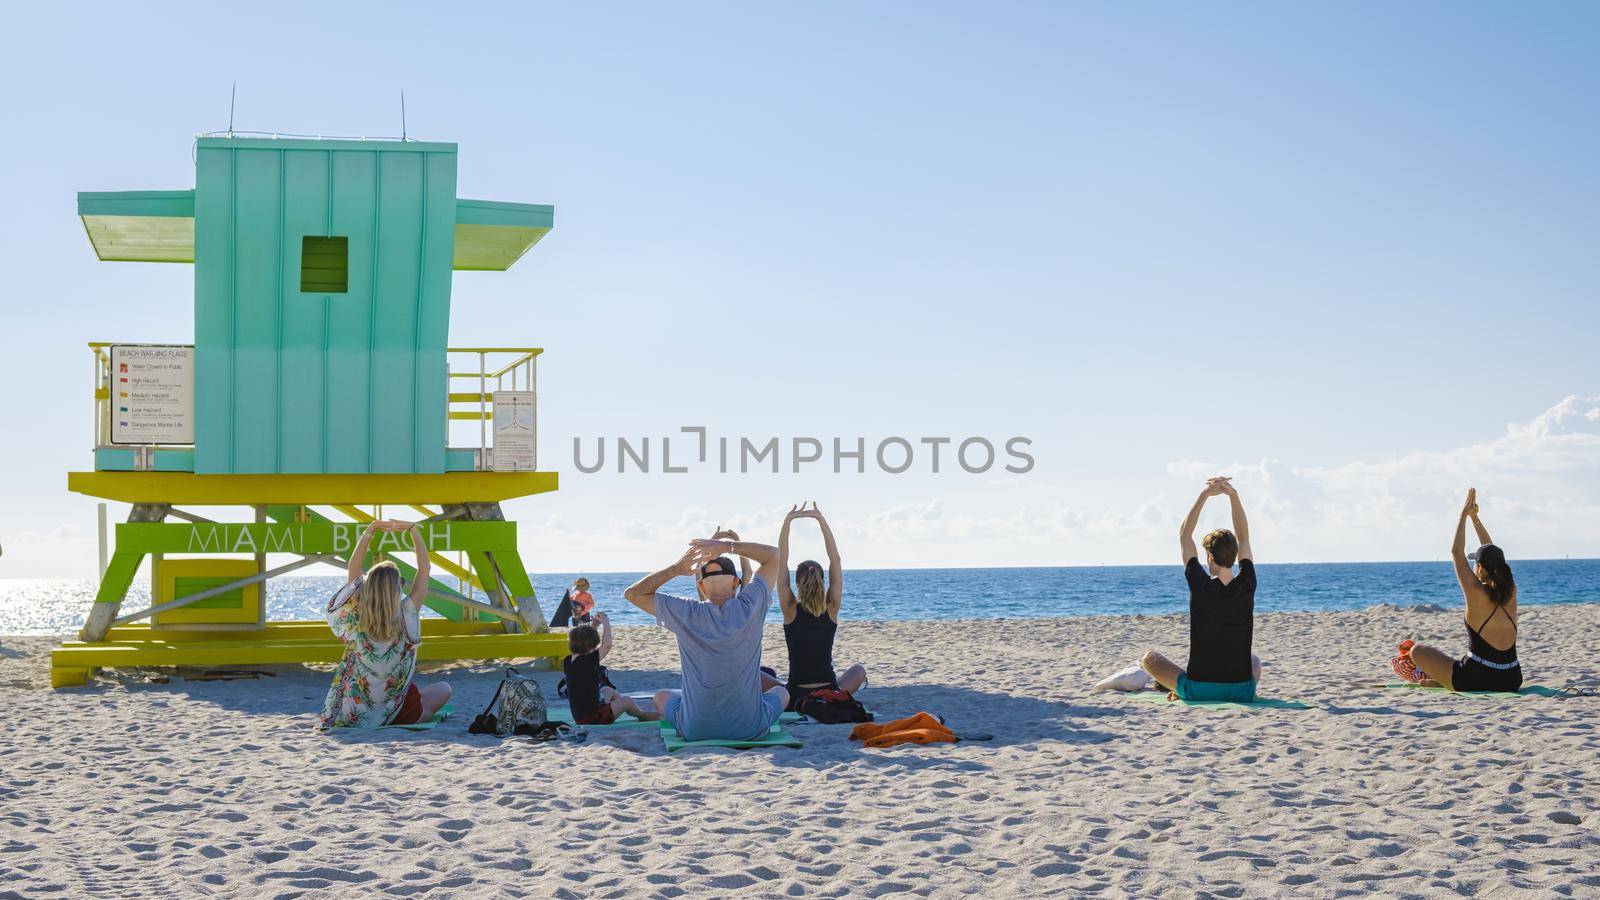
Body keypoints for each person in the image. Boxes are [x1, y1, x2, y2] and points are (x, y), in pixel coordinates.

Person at [623, 534, 789, 742]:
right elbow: (774, 555)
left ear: (701, 587)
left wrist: (676, 569)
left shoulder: (686, 612)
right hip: (750, 729)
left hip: (695, 730)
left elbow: (633, 594)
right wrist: (727, 546)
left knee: (661, 696)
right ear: (736, 582)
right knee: (782, 693)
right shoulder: (751, 605)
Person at [320, 520, 452, 728]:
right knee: (444, 688)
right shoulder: (406, 612)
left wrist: (370, 529)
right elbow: (424, 570)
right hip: (397, 710)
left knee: (425, 691)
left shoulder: (355, 615)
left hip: (353, 711)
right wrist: (413, 531)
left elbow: (353, 567)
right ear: (397, 588)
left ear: (368, 587)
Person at [1141, 478, 1263, 703]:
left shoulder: (1200, 585)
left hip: (1199, 689)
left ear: (1209, 557)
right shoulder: (1247, 583)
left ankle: (1178, 690)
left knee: (1150, 658)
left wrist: (1205, 494)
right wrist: (1233, 495)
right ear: (1236, 555)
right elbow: (1244, 537)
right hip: (1242, 691)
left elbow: (1184, 535)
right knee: (1254, 661)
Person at [1394, 488, 1521, 692]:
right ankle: (1441, 680)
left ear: (1479, 568)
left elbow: (1456, 552)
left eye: (1475, 564)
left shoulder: (1474, 592)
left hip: (1476, 678)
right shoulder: (1510, 590)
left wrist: (1463, 515)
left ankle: (1445, 680)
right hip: (1512, 679)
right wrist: (1475, 518)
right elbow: (1490, 549)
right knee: (1462, 661)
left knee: (1417, 650)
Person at [760, 502, 867, 709]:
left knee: (753, 674)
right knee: (859, 670)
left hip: (795, 696)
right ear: (822, 580)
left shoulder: (789, 608)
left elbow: (781, 562)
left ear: (798, 583)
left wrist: (787, 522)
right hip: (830, 692)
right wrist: (821, 520)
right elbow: (835, 559)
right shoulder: (832, 606)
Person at [564, 612, 659, 725]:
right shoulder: (586, 662)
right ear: (590, 647)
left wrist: (594, 626)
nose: (595, 649)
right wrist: (606, 622)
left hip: (582, 716)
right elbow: (607, 645)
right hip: (591, 718)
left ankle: (612, 707)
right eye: (594, 647)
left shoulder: (569, 661)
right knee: (627, 701)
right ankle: (641, 715)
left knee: (607, 690)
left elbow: (585, 642)